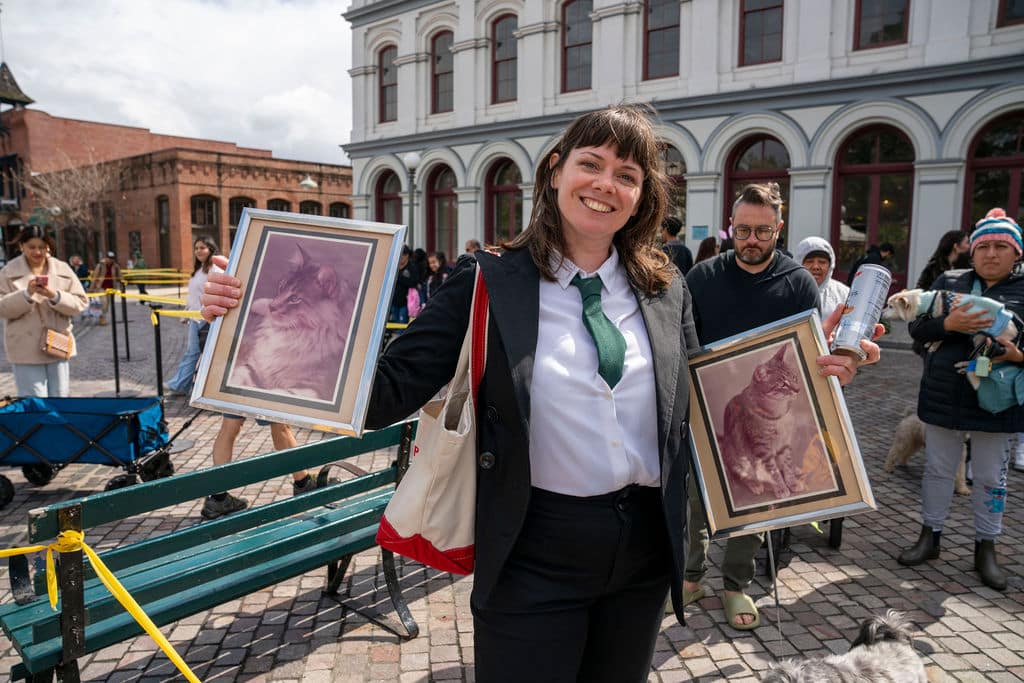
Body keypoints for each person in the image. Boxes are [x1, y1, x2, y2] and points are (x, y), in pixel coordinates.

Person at [202, 106, 877, 681]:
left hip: (644, 547)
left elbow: (705, 401)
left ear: (642, 196)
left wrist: (815, 373)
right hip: (533, 549)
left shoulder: (668, 288)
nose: (605, 184)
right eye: (592, 163)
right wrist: (246, 315)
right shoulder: (487, 281)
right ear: (555, 169)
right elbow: (379, 392)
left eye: (627, 174)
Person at [684, 183, 879, 632]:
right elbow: (682, 341)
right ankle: (692, 576)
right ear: (731, 227)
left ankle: (736, 585)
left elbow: (812, 355)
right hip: (707, 410)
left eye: (763, 231)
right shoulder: (703, 277)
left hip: (771, 418)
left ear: (779, 229)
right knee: (697, 499)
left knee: (755, 498)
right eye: (743, 230)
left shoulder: (796, 283)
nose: (751, 240)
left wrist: (843, 356)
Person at [897, 210, 1024, 591]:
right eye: (984, 245)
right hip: (945, 394)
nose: (991, 253)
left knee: (990, 478)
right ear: (972, 250)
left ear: (1016, 252)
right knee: (938, 470)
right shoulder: (949, 281)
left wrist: (1017, 355)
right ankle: (929, 536)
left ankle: (986, 546)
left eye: (1001, 246)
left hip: (998, 399)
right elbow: (917, 327)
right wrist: (948, 325)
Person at [0, 225, 88, 396]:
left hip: (57, 342)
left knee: (60, 398)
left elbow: (81, 302)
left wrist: (54, 296)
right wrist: (26, 294)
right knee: (34, 401)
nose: (37, 252)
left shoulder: (62, 269)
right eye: (32, 247)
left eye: (42, 247)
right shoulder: (8, 272)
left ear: (48, 247)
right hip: (25, 347)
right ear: (21, 247)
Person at [199, 415, 317, 519]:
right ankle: (303, 482)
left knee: (229, 427)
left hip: (238, 391)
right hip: (266, 389)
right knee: (280, 425)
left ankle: (218, 498)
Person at [165, 237, 221, 396]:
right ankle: (182, 384)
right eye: (196, 248)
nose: (198, 251)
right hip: (194, 318)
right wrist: (186, 312)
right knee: (193, 352)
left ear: (211, 249)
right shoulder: (198, 270)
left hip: (206, 319)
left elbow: (214, 292)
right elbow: (193, 295)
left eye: (202, 247)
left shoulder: (215, 269)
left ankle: (186, 385)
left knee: (198, 353)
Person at [794, 236, 850, 317]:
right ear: (799, 263)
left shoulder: (844, 293)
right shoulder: (789, 292)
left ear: (830, 265)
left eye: (822, 262)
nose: (816, 267)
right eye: (809, 261)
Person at [389, 245, 419, 325]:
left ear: (407, 255)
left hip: (406, 302)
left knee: (402, 325)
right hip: (393, 301)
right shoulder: (393, 267)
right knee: (394, 324)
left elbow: (413, 283)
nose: (400, 257)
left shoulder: (412, 267)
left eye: (402, 255)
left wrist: (399, 277)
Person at [89, 251, 121, 325]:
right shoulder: (100, 265)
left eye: (112, 258)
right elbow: (95, 277)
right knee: (104, 302)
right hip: (101, 287)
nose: (110, 260)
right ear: (106, 258)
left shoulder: (115, 266)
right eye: (109, 258)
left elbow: (119, 276)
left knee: (107, 304)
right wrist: (91, 288)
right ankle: (102, 318)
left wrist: (122, 282)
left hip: (111, 288)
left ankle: (102, 316)